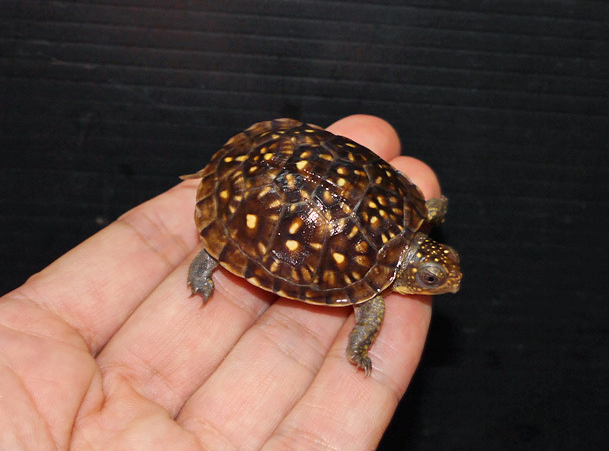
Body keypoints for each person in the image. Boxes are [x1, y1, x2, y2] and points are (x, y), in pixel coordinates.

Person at [0, 115, 443, 450]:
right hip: (264, 182)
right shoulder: (380, 282)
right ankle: (212, 252)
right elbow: (369, 311)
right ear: (414, 273)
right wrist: (358, 348)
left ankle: (219, 243)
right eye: (432, 279)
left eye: (436, 276)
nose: (440, 284)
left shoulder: (413, 207)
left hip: (289, 148)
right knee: (232, 251)